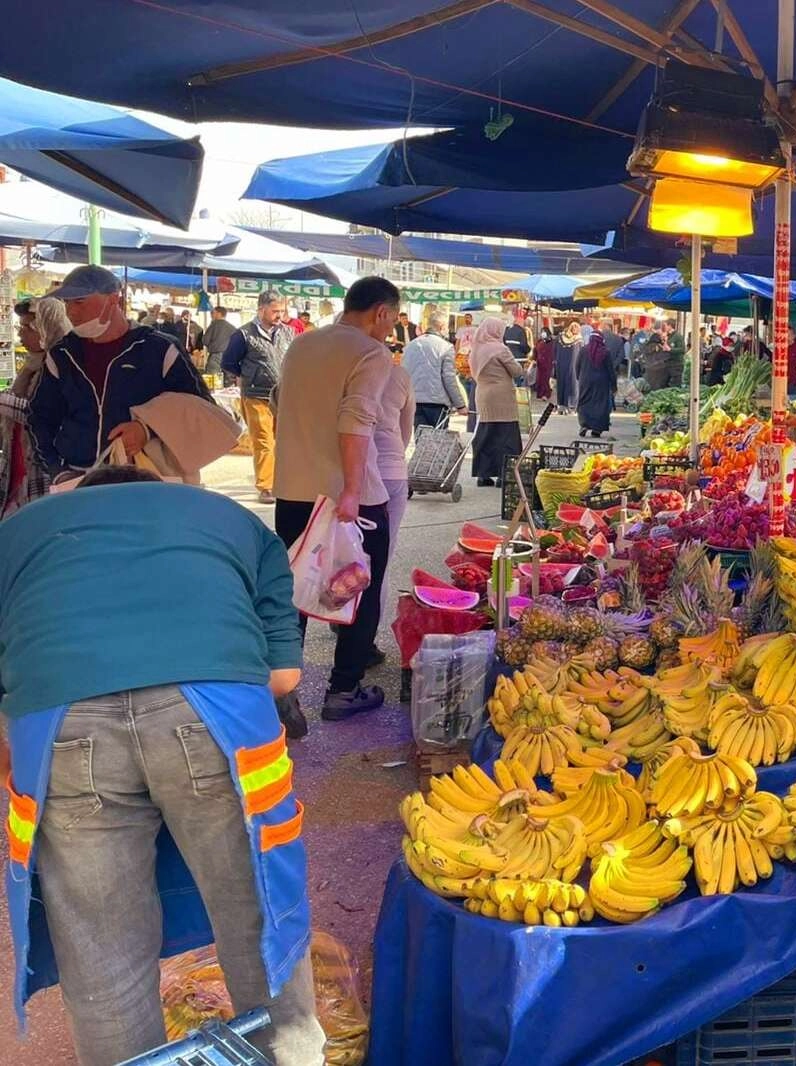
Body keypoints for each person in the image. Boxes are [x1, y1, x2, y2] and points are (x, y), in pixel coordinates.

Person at [0, 466, 323, 1066]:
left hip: (62, 729)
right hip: (218, 721)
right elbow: (282, 677)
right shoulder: (233, 522)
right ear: (160, 489)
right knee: (260, 923)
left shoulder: (17, 534)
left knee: (104, 961)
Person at [272, 275, 400, 727]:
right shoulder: (371, 352)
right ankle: (344, 689)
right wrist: (350, 490)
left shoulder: (301, 346)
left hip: (292, 492)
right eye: (392, 318)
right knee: (358, 588)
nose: (391, 329)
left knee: (292, 591)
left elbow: (277, 403)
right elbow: (356, 420)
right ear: (380, 312)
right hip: (349, 498)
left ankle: (282, 688)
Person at [27, 265, 212, 480]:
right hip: (78, 479)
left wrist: (147, 429)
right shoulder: (62, 354)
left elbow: (202, 408)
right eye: (67, 303)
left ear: (114, 300)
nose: (71, 312)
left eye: (79, 302)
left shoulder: (160, 349)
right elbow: (40, 417)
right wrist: (57, 470)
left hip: (146, 478)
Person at [1, 297, 71, 515]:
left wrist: (2, 401)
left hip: (45, 467)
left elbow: (39, 412)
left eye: (27, 328)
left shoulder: (64, 366)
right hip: (19, 461)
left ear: (45, 328)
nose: (21, 334)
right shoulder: (32, 364)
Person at [221, 290, 293, 503]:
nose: (279, 315)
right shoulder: (243, 334)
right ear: (261, 309)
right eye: (274, 311)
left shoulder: (288, 332)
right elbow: (228, 363)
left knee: (284, 441)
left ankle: (284, 481)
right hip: (256, 394)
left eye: (282, 311)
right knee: (263, 441)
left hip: (283, 394)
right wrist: (248, 376)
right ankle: (266, 486)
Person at [375, 360, 414, 633]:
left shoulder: (341, 368)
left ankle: (343, 618)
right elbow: (405, 429)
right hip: (390, 471)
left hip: (345, 472)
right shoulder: (398, 374)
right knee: (380, 559)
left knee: (343, 555)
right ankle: (365, 639)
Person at [467, 316, 525, 486]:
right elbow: (516, 371)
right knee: (506, 435)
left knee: (486, 433)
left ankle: (483, 475)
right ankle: (504, 474)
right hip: (501, 396)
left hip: (482, 393)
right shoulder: (500, 349)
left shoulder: (476, 349)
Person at [403, 312, 468, 431]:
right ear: (442, 326)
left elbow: (404, 374)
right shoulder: (445, 347)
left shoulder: (410, 346)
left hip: (414, 401)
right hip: (437, 403)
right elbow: (449, 379)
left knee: (421, 441)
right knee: (438, 442)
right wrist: (460, 405)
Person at [577, 329, 616, 438]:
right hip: (601, 383)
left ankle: (584, 424)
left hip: (585, 381)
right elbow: (610, 370)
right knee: (600, 405)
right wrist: (614, 385)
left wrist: (578, 378)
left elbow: (577, 365)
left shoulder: (583, 350)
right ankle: (597, 430)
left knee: (585, 402)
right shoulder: (605, 352)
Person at [454, 313, 478, 432]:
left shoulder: (475, 329)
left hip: (471, 355)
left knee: (470, 378)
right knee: (463, 379)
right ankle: (465, 400)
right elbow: (458, 342)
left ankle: (469, 399)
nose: (467, 319)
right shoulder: (461, 330)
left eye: (469, 317)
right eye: (466, 318)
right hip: (462, 356)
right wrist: (456, 353)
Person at [201, 306, 236, 378]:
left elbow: (205, 340)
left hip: (215, 355)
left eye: (213, 313)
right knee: (228, 380)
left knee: (212, 378)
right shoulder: (233, 328)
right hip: (229, 356)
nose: (211, 315)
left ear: (219, 314)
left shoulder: (213, 325)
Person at [555, 321, 582, 412]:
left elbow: (554, 350)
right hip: (574, 365)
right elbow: (582, 354)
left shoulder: (560, 338)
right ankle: (571, 405)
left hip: (560, 365)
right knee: (573, 385)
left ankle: (561, 405)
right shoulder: (578, 340)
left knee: (561, 383)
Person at [532, 327, 555, 401]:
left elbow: (554, 351)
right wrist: (534, 359)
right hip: (540, 363)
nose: (542, 333)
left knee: (546, 378)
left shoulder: (552, 341)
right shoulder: (539, 341)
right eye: (542, 332)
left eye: (544, 332)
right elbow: (535, 351)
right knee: (540, 379)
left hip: (548, 362)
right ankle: (540, 394)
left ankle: (546, 394)